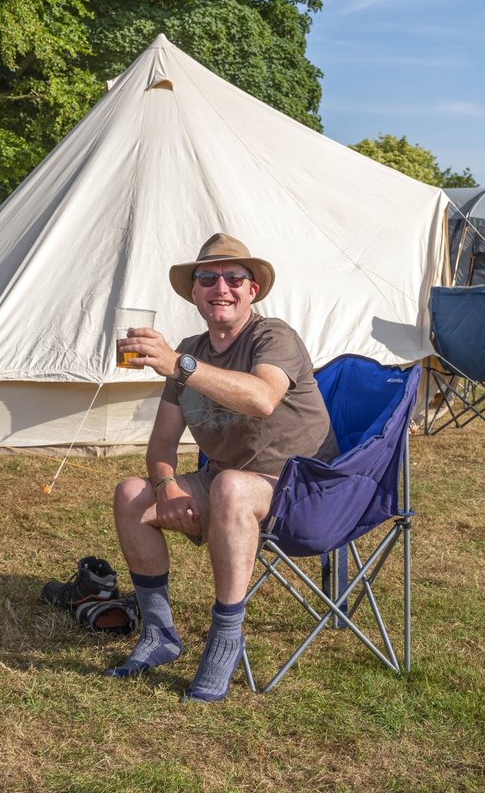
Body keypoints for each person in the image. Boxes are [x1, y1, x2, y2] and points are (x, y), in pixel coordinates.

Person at [109, 233, 332, 702]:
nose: (221, 288)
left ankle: (225, 638)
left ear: (254, 290)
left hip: (307, 489)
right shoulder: (191, 348)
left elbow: (262, 398)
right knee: (132, 493)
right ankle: (159, 635)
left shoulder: (273, 336)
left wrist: (179, 364)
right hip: (233, 483)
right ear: (194, 294)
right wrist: (167, 485)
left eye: (235, 278)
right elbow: (161, 445)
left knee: (229, 485)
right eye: (207, 279)